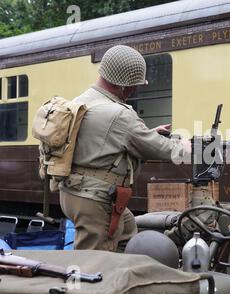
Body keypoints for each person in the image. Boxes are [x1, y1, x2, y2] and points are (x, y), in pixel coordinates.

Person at [59, 45, 190, 252]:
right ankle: (88, 284)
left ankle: (124, 277)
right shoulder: (119, 114)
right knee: (93, 261)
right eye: (134, 85)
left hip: (72, 192)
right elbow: (160, 149)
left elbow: (107, 140)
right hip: (95, 199)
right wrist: (183, 146)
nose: (135, 90)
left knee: (128, 232)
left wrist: (147, 134)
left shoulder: (82, 101)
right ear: (124, 84)